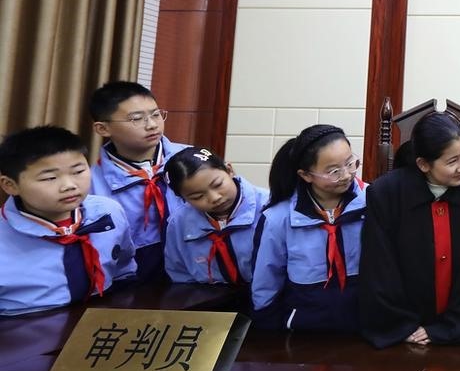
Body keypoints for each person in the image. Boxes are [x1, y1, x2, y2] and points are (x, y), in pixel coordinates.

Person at [360, 112, 460, 348]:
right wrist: (402, 325)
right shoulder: (386, 194)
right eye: (451, 161)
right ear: (423, 164)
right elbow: (380, 267)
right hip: (402, 331)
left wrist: (451, 327)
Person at [0, 126, 134, 315]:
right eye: (50, 178)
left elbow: (123, 269)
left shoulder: (108, 211)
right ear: (10, 185)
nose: (69, 186)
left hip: (100, 315)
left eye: (78, 171)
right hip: (23, 323)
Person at [251, 125, 365, 332]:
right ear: (306, 175)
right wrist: (268, 324)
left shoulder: (373, 202)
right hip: (304, 329)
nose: (346, 175)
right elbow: (267, 277)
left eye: (350, 163)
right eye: (333, 171)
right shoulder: (278, 218)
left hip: (366, 324)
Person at [88, 81, 190, 283]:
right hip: (131, 282)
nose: (152, 125)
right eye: (136, 119)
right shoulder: (90, 184)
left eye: (156, 114)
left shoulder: (192, 159)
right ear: (103, 128)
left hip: (198, 274)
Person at [164, 146, 268, 289]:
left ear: (229, 170)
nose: (215, 198)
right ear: (183, 198)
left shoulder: (269, 208)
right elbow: (180, 275)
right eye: (197, 197)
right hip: (208, 298)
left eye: (218, 185)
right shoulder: (178, 224)